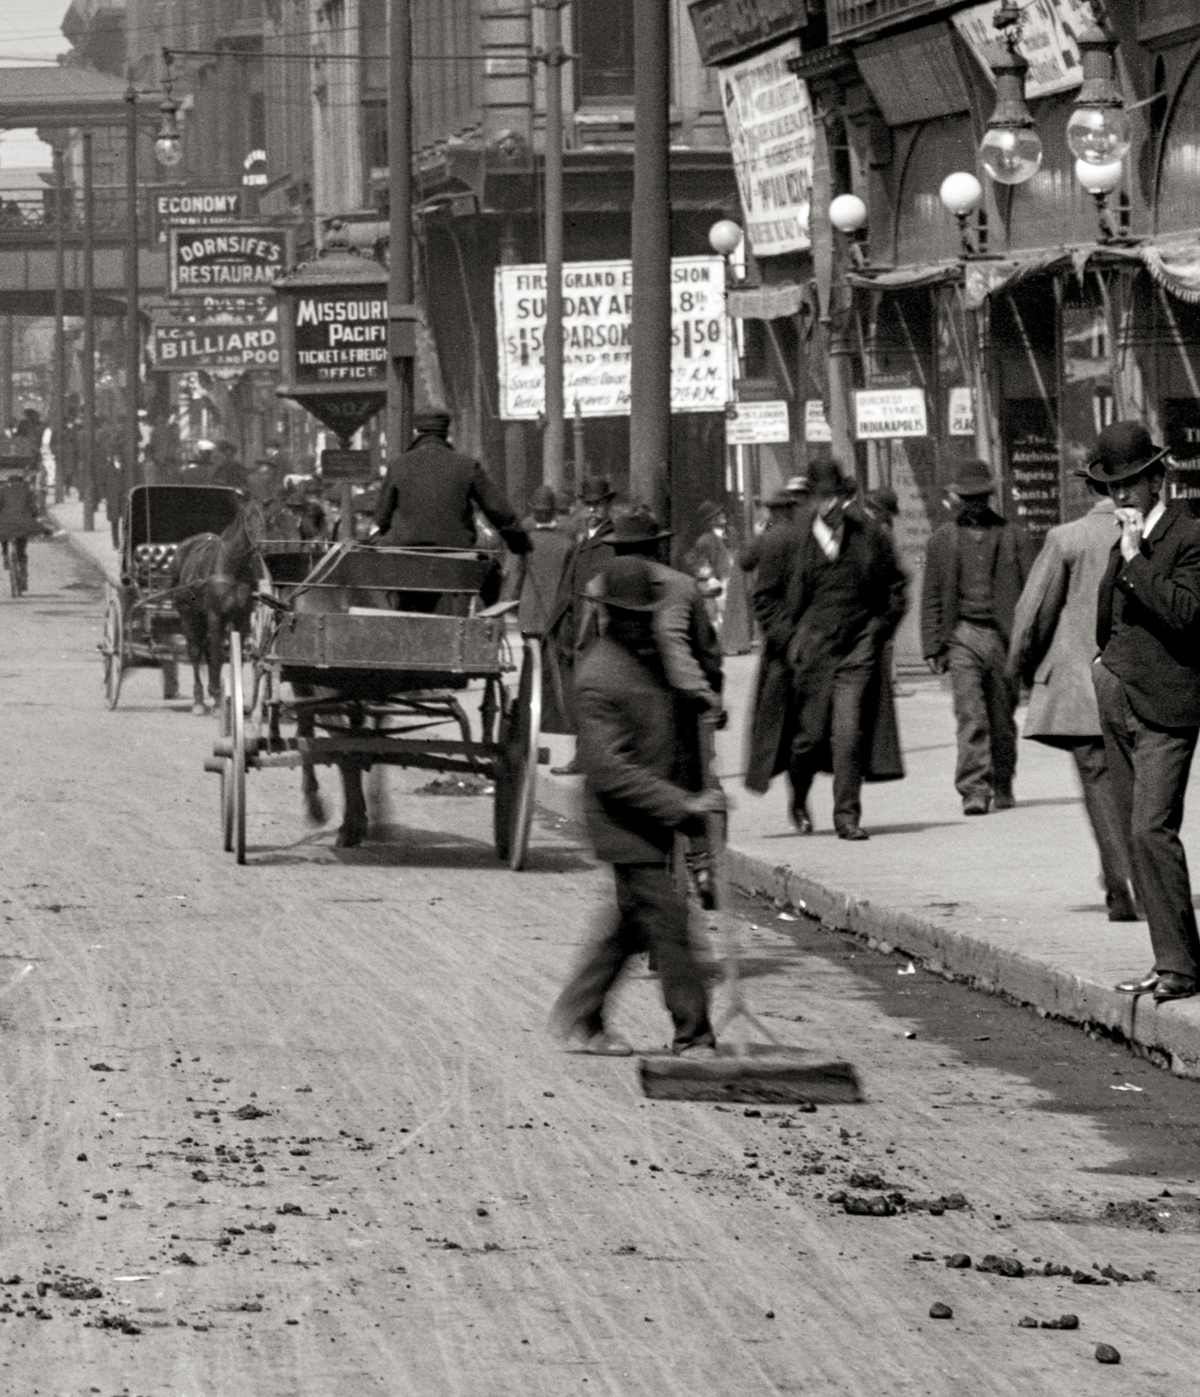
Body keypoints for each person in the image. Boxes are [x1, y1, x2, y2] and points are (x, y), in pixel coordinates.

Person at [549, 555, 724, 1057]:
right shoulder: (598, 676)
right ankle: (694, 1034)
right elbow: (610, 771)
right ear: (607, 616)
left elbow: (679, 732)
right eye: (626, 614)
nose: (638, 622)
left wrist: (702, 789)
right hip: (621, 822)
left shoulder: (653, 661)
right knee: (669, 922)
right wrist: (683, 805)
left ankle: (582, 1013)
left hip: (657, 816)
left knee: (631, 926)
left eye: (644, 613)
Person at [1087, 422, 1200, 1002]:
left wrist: (1134, 559)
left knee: (1151, 829)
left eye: (1132, 482)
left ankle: (1183, 967)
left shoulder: (1189, 536)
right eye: (1113, 486)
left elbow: (1186, 615)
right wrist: (1103, 665)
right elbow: (1110, 619)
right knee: (1136, 838)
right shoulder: (1120, 541)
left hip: (1167, 706)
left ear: (1159, 478)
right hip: (1119, 699)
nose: (1122, 495)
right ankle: (1169, 963)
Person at [1007, 470, 1137, 922]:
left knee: (1100, 785)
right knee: (1145, 789)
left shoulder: (1067, 538)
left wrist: (1020, 670)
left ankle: (1122, 887)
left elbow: (1034, 613)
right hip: (1147, 690)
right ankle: (1143, 879)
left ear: (1088, 489)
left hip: (1083, 692)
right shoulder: (1157, 535)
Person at [766, 458, 907, 840]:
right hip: (810, 650)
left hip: (857, 648)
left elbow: (896, 587)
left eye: (836, 498)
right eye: (821, 498)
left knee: (848, 733)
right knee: (808, 739)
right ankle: (798, 797)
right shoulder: (790, 540)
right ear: (809, 500)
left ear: (845, 497)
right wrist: (788, 639)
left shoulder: (869, 534)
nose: (829, 506)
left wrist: (878, 629)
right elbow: (765, 595)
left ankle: (847, 816)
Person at [921, 459, 1034, 816]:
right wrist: (932, 645)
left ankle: (1002, 782)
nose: (974, 505)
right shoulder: (942, 541)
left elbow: (1032, 593)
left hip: (1004, 639)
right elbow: (932, 596)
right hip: (962, 636)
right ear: (957, 500)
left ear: (990, 498)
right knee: (970, 715)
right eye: (968, 498)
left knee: (1002, 719)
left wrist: (1031, 645)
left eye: (981, 497)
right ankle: (973, 788)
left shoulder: (1013, 536)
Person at [373, 409, 529, 556]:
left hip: (407, 552)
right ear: (446, 433)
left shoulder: (398, 465)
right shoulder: (467, 465)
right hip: (458, 553)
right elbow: (497, 510)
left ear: (417, 432)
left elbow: (381, 517)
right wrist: (518, 543)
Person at [549, 474, 617, 775]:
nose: (594, 510)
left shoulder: (611, 541)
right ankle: (584, 756)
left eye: (599, 504)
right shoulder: (583, 539)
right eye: (589, 505)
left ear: (607, 505)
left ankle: (600, 760)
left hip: (599, 631)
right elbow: (567, 587)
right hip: (576, 628)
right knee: (579, 698)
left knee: (597, 700)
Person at [512, 485, 577, 734]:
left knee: (530, 666)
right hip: (556, 615)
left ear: (533, 512)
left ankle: (526, 721)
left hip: (529, 614)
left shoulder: (524, 543)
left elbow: (514, 581)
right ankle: (554, 722)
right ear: (554, 514)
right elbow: (570, 584)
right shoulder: (567, 545)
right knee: (554, 668)